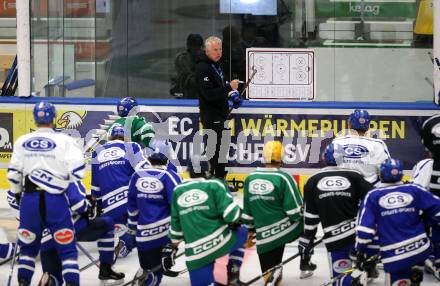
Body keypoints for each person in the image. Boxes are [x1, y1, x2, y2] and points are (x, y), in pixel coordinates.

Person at [7, 101, 85, 286]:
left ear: (35, 118)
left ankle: (24, 282)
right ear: (54, 118)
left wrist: (18, 195)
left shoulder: (22, 141)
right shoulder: (66, 141)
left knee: (27, 250)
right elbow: (79, 170)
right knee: (67, 251)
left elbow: (13, 175)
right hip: (56, 201)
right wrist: (61, 180)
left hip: (30, 201)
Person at [7, 182, 125, 286]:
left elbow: (19, 210)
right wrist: (90, 206)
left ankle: (51, 280)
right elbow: (79, 204)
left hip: (43, 238)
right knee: (108, 223)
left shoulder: (20, 183)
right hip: (67, 230)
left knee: (53, 276)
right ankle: (106, 269)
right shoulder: (63, 174)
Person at [355, 158, 440, 286]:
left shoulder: (373, 195)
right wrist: (429, 221)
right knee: (414, 270)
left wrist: (360, 252)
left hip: (394, 255)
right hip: (420, 249)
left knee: (399, 278)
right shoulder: (414, 189)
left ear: (381, 174)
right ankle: (416, 273)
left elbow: (364, 231)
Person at [298, 143, 374, 285]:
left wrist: (308, 238)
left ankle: (358, 275)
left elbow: (310, 217)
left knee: (340, 280)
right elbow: (374, 199)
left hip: (335, 240)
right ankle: (367, 270)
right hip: (358, 237)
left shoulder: (312, 181)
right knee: (358, 271)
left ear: (324, 158)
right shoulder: (355, 176)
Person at [164, 157, 248, 286]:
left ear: (188, 171)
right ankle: (233, 275)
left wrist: (172, 247)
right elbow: (233, 215)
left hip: (195, 253)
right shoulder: (215, 185)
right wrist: (241, 220)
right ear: (207, 171)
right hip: (221, 241)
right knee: (243, 231)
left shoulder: (178, 190)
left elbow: (176, 230)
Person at [241, 140, 304, 286]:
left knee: (269, 271)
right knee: (310, 221)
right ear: (281, 157)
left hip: (262, 235)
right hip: (282, 231)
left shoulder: (250, 178)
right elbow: (295, 212)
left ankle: (272, 276)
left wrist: (250, 229)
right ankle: (306, 259)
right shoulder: (284, 178)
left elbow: (248, 210)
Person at [127, 140, 182, 285]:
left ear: (148, 156)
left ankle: (146, 274)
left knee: (147, 268)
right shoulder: (170, 176)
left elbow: (132, 206)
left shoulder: (137, 176)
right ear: (168, 156)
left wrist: (132, 228)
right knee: (156, 274)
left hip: (142, 237)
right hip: (163, 236)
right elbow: (178, 206)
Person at [91, 125, 146, 259]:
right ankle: (127, 242)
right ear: (125, 136)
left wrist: (99, 206)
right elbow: (143, 171)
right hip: (130, 199)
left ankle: (118, 239)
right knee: (145, 223)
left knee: (120, 226)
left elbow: (95, 188)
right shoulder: (132, 146)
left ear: (110, 136)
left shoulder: (97, 151)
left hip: (109, 205)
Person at [195, 36, 240, 179]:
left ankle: (220, 179)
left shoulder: (217, 65)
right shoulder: (202, 68)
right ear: (207, 50)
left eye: (220, 49)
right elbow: (208, 94)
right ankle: (213, 179)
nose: (218, 52)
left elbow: (221, 86)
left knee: (222, 149)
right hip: (211, 116)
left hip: (221, 115)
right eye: (215, 49)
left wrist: (233, 94)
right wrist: (228, 87)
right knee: (214, 150)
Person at [332, 109, 390, 184]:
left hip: (342, 188)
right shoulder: (378, 144)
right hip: (369, 189)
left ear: (349, 124)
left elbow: (331, 169)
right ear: (368, 126)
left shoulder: (337, 142)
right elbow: (386, 170)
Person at [171, 33, 204, 99]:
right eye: (193, 45)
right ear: (188, 46)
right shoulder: (182, 58)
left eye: (198, 46)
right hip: (185, 93)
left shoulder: (205, 57)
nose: (196, 48)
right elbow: (188, 77)